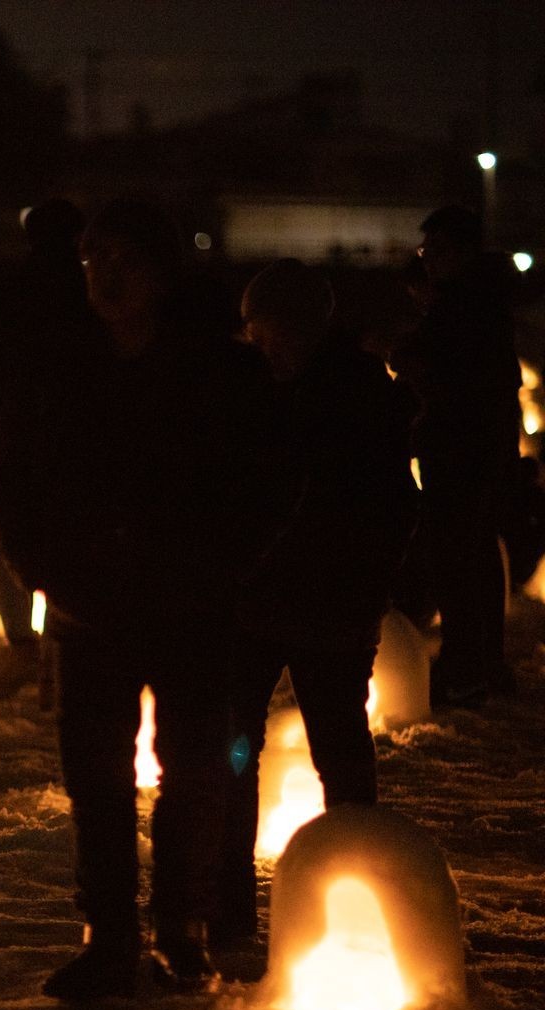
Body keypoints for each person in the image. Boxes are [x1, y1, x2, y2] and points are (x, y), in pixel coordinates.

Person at [0, 201, 281, 1000]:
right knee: (98, 777)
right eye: (94, 261)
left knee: (197, 770)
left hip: (194, 606)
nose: (108, 276)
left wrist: (225, 568)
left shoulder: (220, 370)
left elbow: (266, 482)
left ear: (161, 271)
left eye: (125, 259)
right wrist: (46, 572)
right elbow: (9, 482)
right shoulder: (56, 369)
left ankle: (181, 927)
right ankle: (109, 932)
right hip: (92, 608)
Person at [215, 259, 417, 945]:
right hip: (251, 603)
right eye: (255, 333)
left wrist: (368, 588)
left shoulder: (360, 396)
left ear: (308, 328)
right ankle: (229, 911)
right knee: (232, 750)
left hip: (331, 609)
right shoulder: (247, 393)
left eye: (275, 332)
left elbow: (393, 507)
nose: (265, 345)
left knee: (341, 754)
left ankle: (358, 902)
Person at [390, 205, 521, 707]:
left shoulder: (465, 306)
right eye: (425, 253)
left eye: (437, 252)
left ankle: (466, 667)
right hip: (477, 448)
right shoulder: (480, 301)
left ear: (463, 253)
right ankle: (483, 662)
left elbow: (453, 372)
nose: (429, 264)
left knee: (455, 558)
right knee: (474, 555)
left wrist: (410, 360)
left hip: (462, 449)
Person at [0, 199, 93, 697]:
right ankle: (55, 657)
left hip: (15, 433)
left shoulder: (5, 292)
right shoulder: (87, 291)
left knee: (6, 538)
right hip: (77, 435)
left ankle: (22, 645)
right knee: (70, 541)